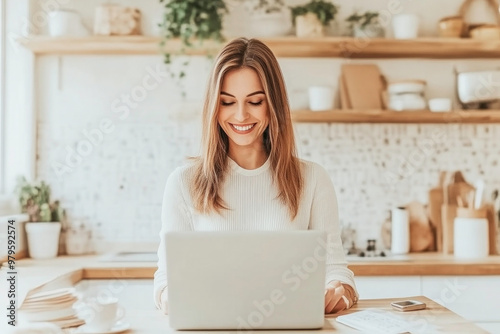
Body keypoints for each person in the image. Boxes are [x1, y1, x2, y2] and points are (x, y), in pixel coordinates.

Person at [154, 37, 358, 315]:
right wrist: (169, 298)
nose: (240, 115)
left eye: (255, 101)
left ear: (273, 104)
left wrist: (340, 292)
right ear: (213, 106)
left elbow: (336, 270)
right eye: (227, 102)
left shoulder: (312, 179)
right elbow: (165, 280)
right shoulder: (183, 183)